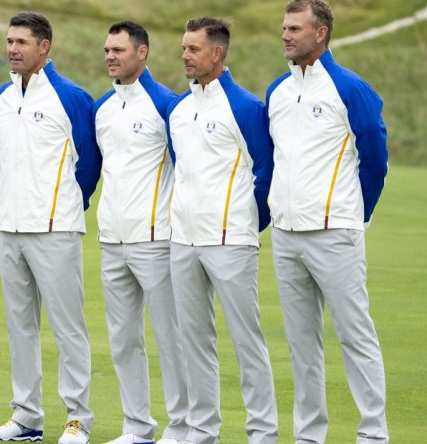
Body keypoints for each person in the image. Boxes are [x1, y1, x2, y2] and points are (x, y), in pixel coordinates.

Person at [266, 1, 389, 443]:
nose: (285, 35)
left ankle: (373, 435)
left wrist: (354, 216)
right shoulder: (277, 91)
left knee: (355, 335)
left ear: (320, 34)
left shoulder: (350, 88)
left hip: (335, 232)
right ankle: (308, 436)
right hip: (286, 235)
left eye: (295, 28)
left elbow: (375, 160)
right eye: (284, 27)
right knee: (302, 346)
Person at [0, 11, 101, 444]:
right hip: (9, 228)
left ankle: (78, 419)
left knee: (68, 327)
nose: (12, 49)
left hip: (55, 230)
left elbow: (88, 164)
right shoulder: (3, 95)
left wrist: (66, 208)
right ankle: (26, 416)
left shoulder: (70, 97)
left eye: (21, 42)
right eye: (9, 41)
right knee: (20, 327)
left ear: (43, 47)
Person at [166, 17, 278, 444]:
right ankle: (202, 430)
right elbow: (181, 168)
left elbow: (265, 172)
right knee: (193, 341)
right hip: (184, 240)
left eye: (193, 49)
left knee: (247, 341)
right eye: (183, 48)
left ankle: (263, 433)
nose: (185, 56)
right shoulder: (178, 109)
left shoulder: (246, 107)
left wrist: (246, 221)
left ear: (217, 53)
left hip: (231, 242)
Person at [92, 20, 188, 444]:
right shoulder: (103, 107)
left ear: (142, 52)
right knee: (123, 340)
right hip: (112, 240)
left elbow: (189, 172)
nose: (111, 56)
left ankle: (183, 427)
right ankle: (137, 427)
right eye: (108, 50)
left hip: (156, 240)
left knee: (171, 338)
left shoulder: (168, 104)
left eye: (119, 50)